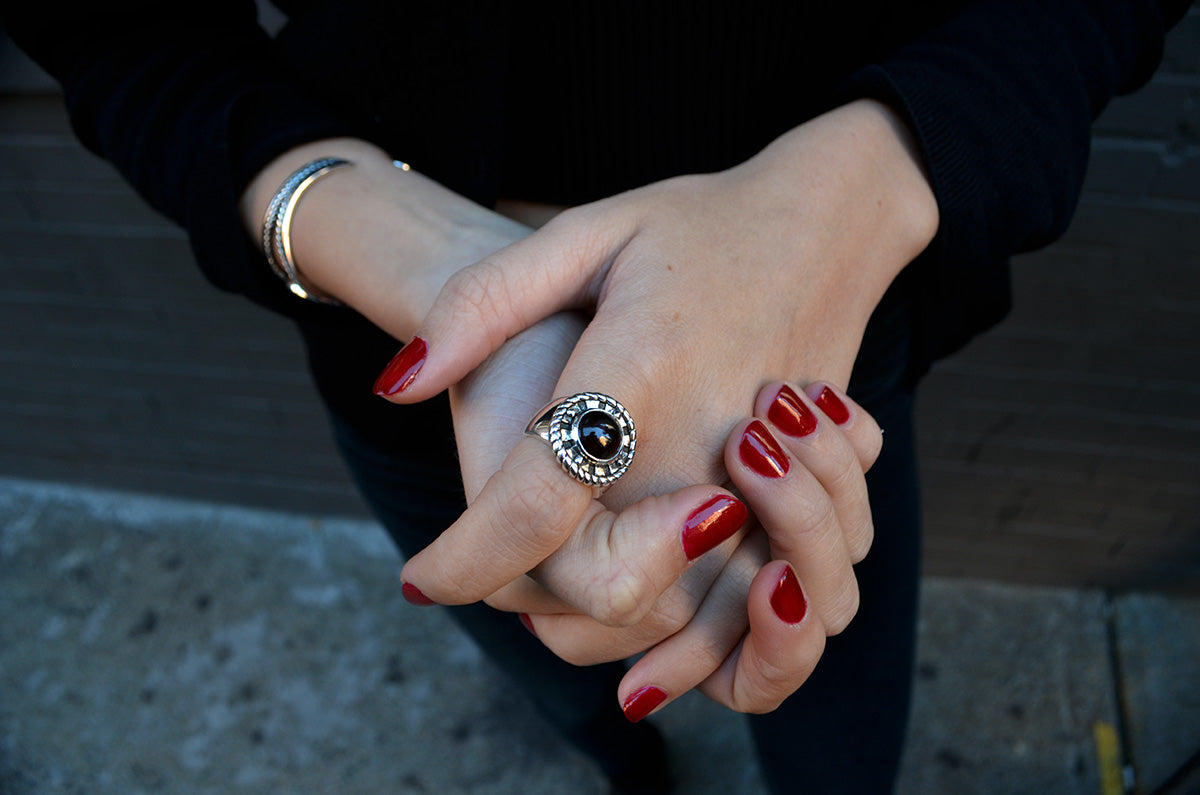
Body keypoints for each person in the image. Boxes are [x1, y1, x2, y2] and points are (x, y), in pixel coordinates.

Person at [4, 2, 1189, 792]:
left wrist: (871, 176)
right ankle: (629, 771)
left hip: (796, 343)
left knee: (814, 673)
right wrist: (431, 264)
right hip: (417, 341)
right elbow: (108, 21)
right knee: (547, 645)